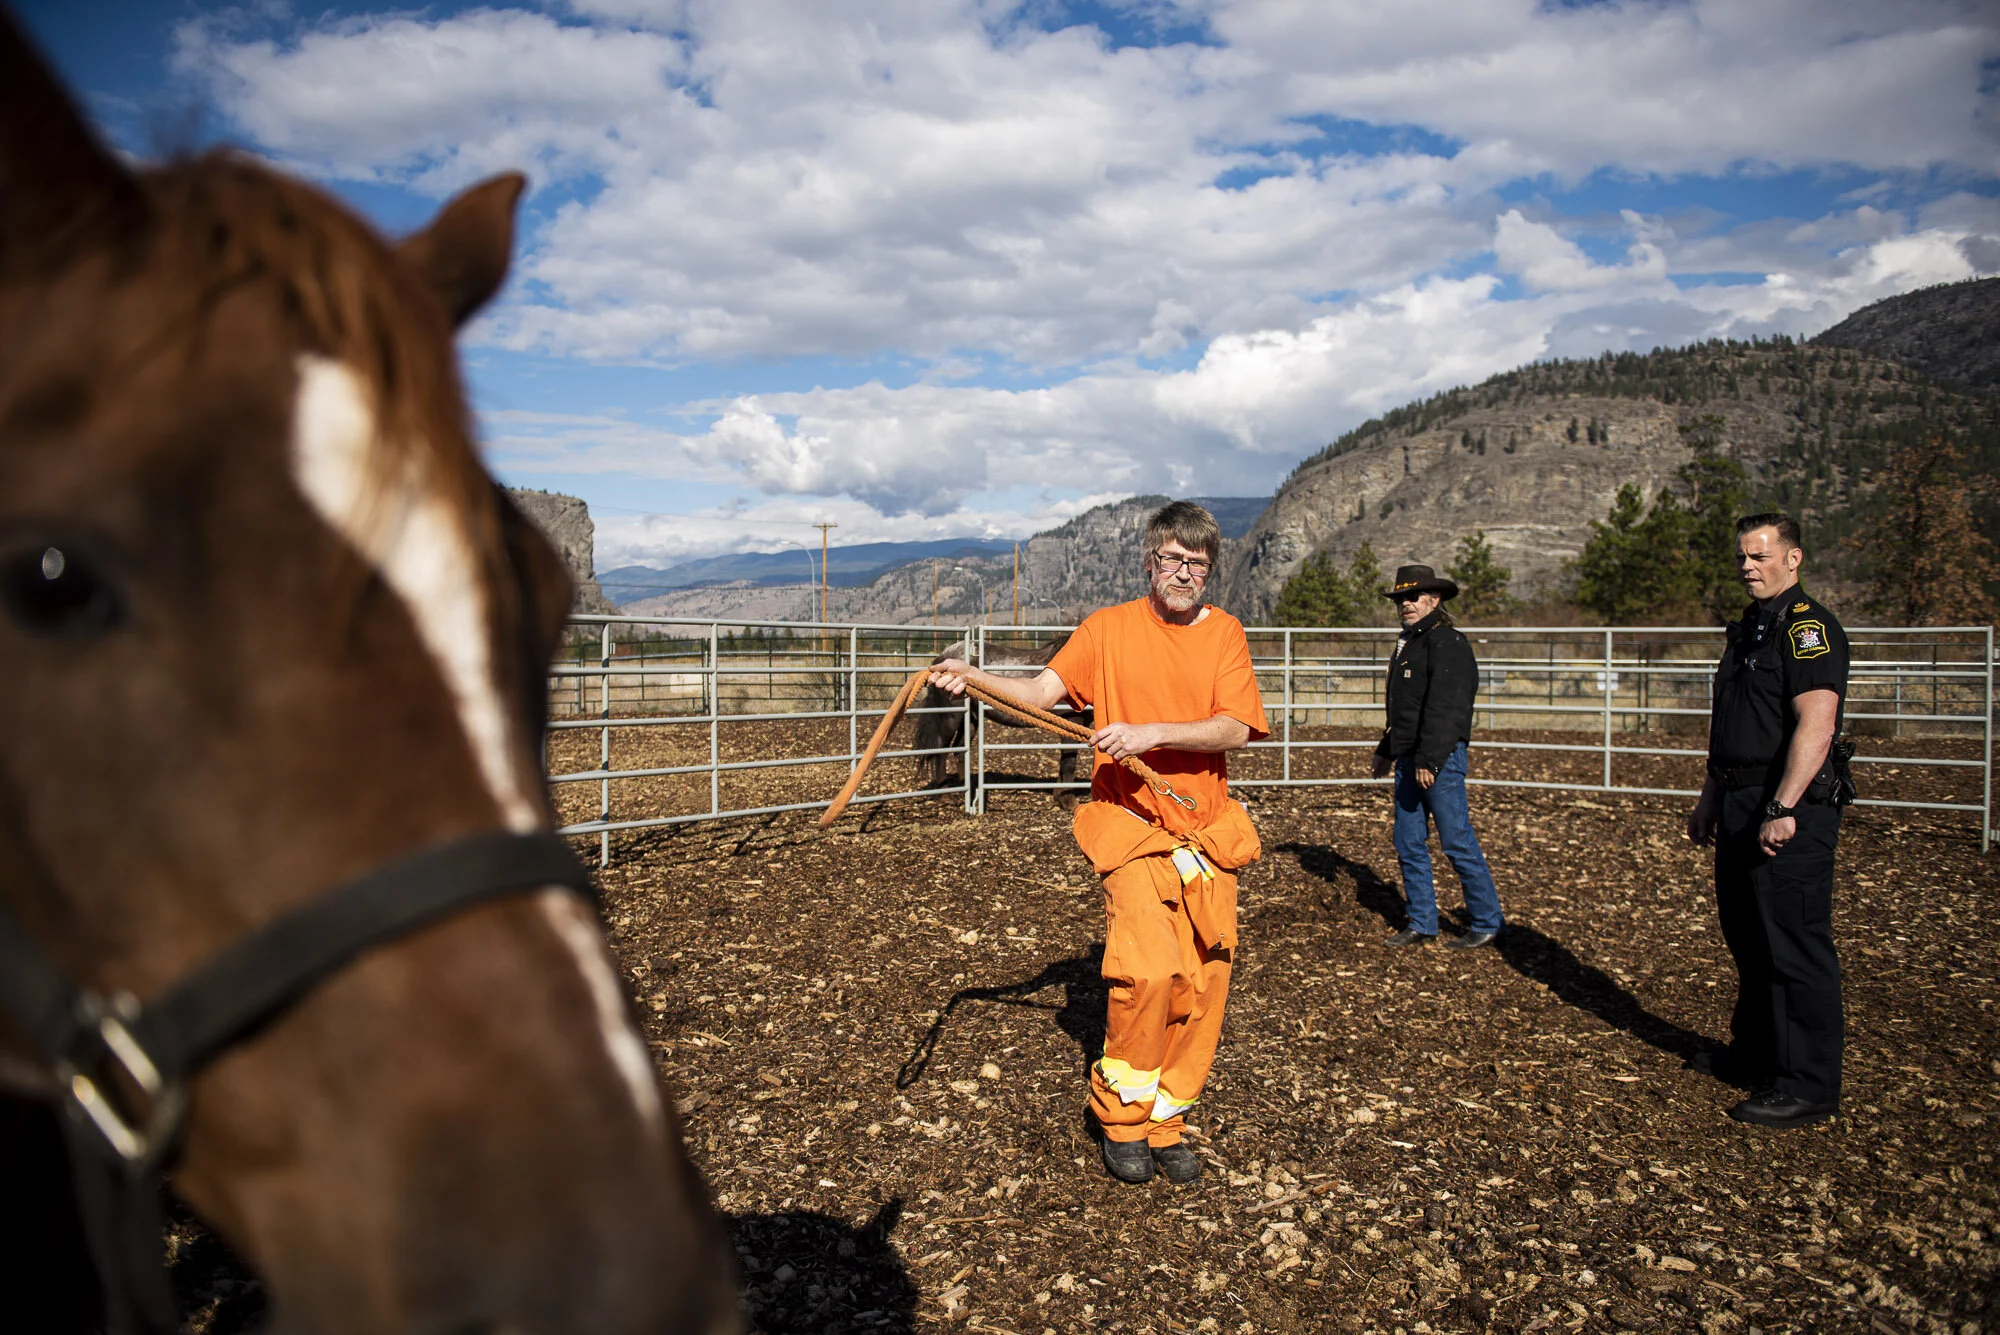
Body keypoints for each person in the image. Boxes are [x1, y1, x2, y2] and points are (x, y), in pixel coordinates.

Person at [927, 501, 1268, 1186]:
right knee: (1147, 973)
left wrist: (1150, 732)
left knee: (1201, 984)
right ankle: (1123, 1120)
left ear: (1210, 571)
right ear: (1149, 559)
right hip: (1131, 829)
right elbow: (1038, 692)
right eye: (1171, 558)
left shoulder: (1225, 635)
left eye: (1197, 563)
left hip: (1205, 833)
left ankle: (1167, 1118)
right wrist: (972, 679)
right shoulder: (1106, 630)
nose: (1183, 572)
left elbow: (1235, 727)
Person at [1686, 513, 1850, 1129]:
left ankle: (1808, 1083)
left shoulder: (1808, 629)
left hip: (1788, 805)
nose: (1748, 567)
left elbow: (1817, 723)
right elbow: (1731, 727)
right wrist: (1708, 797)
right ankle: (1756, 1054)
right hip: (1735, 799)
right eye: (1741, 558)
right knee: (1748, 936)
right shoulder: (1751, 629)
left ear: (1794, 558)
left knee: (1795, 943)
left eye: (1760, 555)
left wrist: (1783, 807)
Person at [1369, 564, 1505, 949]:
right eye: (1401, 599)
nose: (1406, 604)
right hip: (1412, 757)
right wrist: (1387, 750)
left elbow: (1448, 709)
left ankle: (1486, 919)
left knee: (1456, 841)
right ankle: (1423, 921)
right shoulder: (1411, 643)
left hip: (1436, 760)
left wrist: (1430, 760)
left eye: (1413, 597)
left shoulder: (1448, 644)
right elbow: (1404, 708)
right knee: (1408, 841)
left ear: (1435, 599)